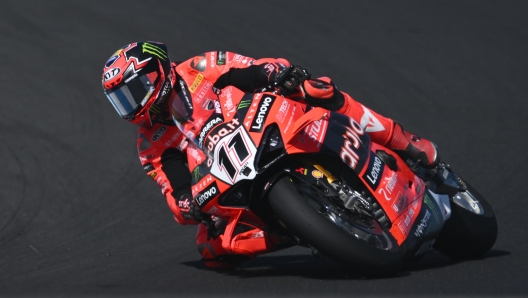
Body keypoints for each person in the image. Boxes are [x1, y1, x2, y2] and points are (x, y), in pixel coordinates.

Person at [101, 41, 439, 268]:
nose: (132, 106)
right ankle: (294, 227)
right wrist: (186, 203)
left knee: (315, 88)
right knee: (211, 248)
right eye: (122, 100)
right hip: (227, 172)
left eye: (133, 91)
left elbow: (250, 69)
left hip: (263, 122)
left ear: (157, 73)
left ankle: (403, 140)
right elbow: (172, 186)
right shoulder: (150, 142)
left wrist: (276, 73)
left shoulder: (199, 67)